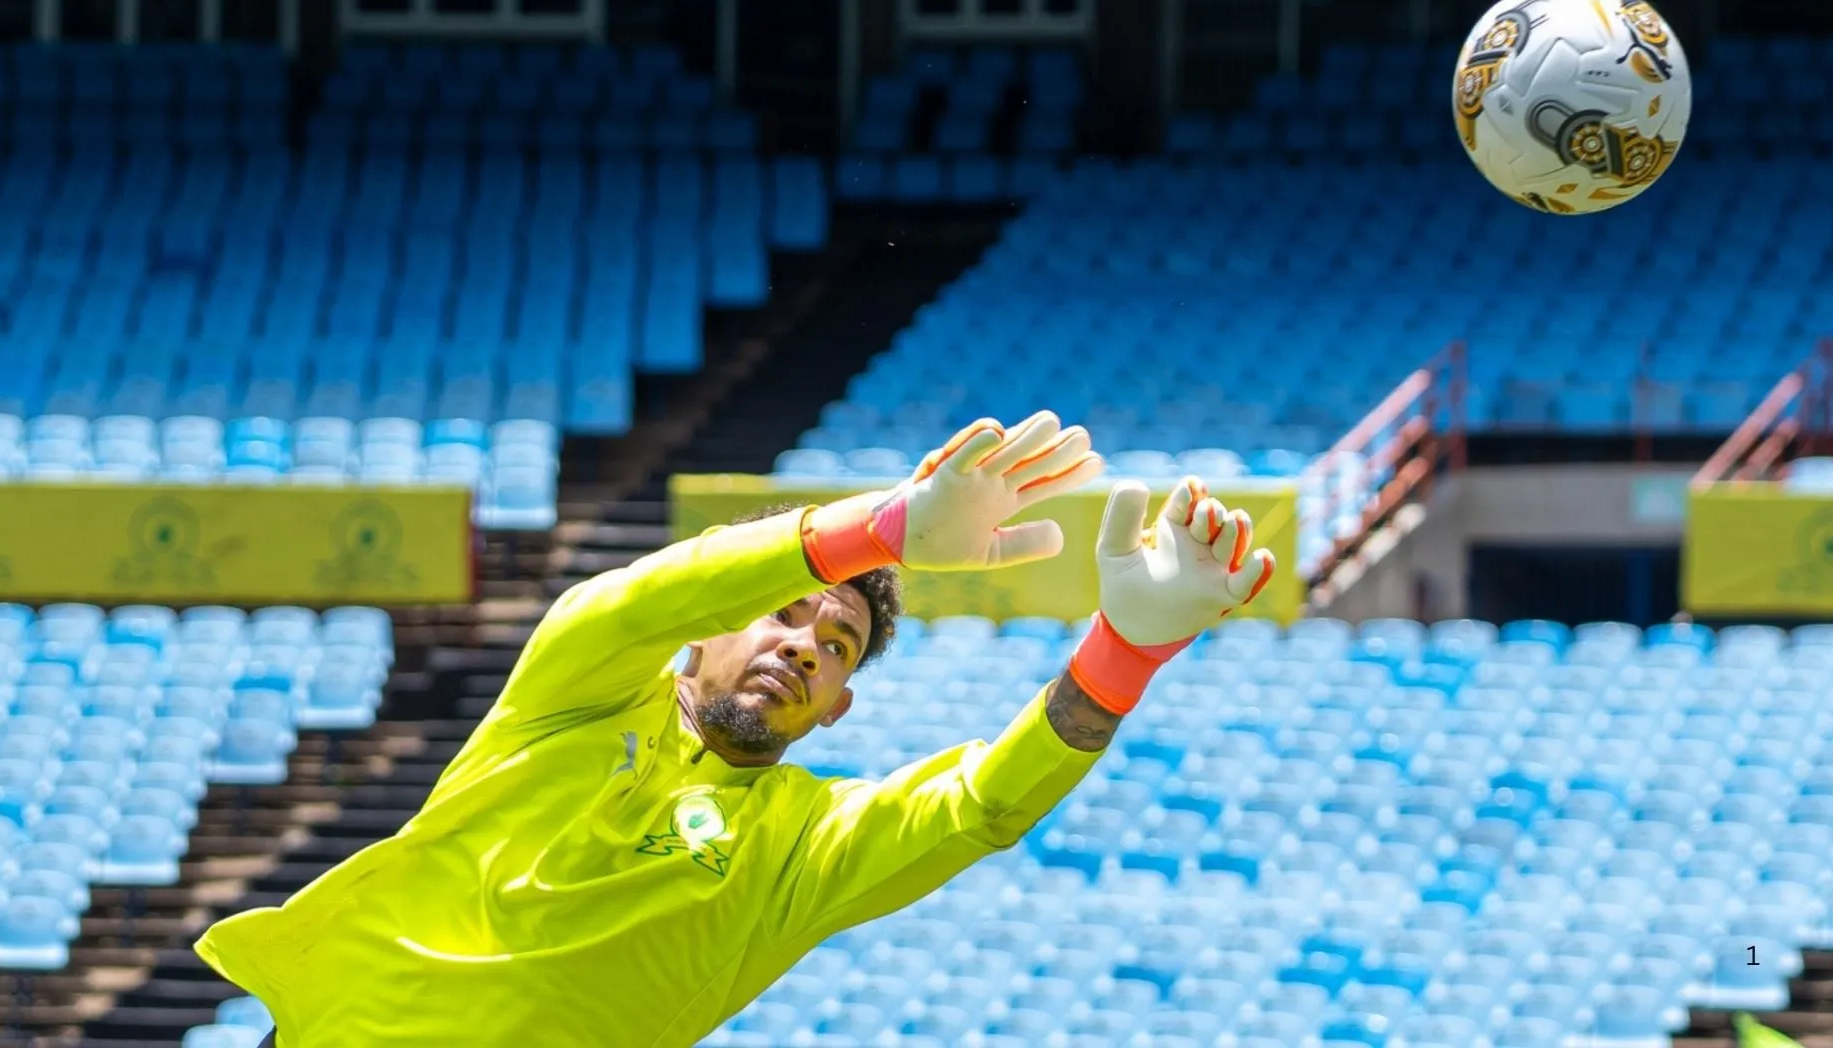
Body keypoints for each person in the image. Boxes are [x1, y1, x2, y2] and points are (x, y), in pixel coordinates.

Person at [197, 412, 1275, 1047]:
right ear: (706, 631)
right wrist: (879, 530)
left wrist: (1121, 653)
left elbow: (981, 803)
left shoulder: (800, 847)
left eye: (839, 646)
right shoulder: (574, 701)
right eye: (787, 614)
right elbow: (625, 605)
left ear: (837, 705)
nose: (807, 645)